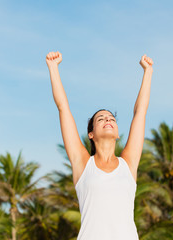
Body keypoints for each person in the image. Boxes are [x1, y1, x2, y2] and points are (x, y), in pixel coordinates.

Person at [46, 51, 153, 240]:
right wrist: (53, 68)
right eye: (101, 119)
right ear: (91, 134)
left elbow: (140, 112)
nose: (108, 120)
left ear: (118, 134)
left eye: (111, 118)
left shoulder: (128, 164)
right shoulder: (83, 164)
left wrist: (148, 72)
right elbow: (63, 107)